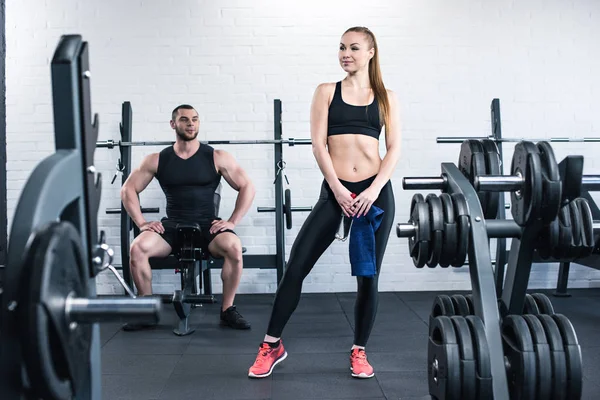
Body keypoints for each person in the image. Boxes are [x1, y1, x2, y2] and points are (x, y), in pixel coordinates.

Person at [248, 26, 401, 379]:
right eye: (342, 48)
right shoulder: (326, 92)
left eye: (354, 48)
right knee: (296, 267)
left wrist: (374, 189)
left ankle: (359, 351)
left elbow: (393, 149)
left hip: (373, 194)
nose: (346, 53)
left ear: (371, 52)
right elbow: (319, 145)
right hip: (336, 191)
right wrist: (336, 188)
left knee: (368, 277)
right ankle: (272, 344)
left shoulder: (387, 97)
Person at [120, 104, 256, 330]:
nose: (191, 123)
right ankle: (145, 310)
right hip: (172, 227)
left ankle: (227, 309)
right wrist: (142, 223)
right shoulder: (157, 159)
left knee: (233, 247)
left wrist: (232, 222)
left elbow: (247, 187)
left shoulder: (216, 157)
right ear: (173, 124)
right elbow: (127, 190)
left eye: (195, 119)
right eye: (184, 119)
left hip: (207, 226)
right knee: (137, 248)